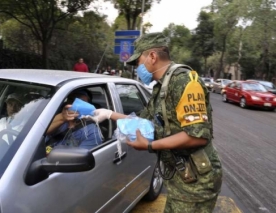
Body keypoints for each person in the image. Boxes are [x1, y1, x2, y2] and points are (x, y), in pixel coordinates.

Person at [91, 32, 222, 212]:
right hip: (182, 176)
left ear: (152, 57)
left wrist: (150, 145)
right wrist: (109, 114)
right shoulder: (162, 86)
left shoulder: (185, 82)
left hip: (197, 182)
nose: (137, 69)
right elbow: (143, 121)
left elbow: (197, 137)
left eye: (138, 62)